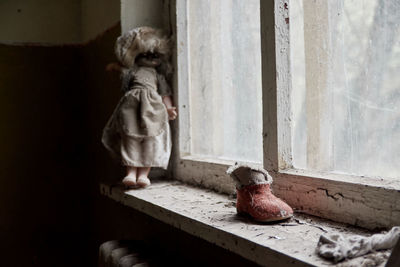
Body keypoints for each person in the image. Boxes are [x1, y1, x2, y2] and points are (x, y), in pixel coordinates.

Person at [102, 26, 177, 188]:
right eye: (145, 55)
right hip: (131, 108)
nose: (150, 58)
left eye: (154, 55)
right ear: (135, 56)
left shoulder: (158, 76)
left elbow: (165, 93)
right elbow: (123, 75)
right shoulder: (133, 72)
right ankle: (131, 173)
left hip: (152, 109)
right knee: (130, 139)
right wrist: (116, 67)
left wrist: (169, 108)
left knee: (151, 140)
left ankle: (143, 175)